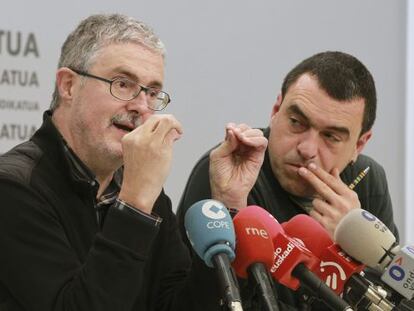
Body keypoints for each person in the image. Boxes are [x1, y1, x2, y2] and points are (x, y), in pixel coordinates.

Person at [0, 13, 268, 311]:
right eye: (123, 84)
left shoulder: (143, 193)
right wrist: (135, 205)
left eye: (152, 92)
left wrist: (228, 205)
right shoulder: (13, 186)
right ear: (68, 86)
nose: (141, 107)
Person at [177, 51, 399, 310]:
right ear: (275, 111)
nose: (307, 148)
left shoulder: (368, 180)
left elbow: (394, 298)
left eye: (331, 137)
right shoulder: (232, 173)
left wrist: (354, 251)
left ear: (359, 144)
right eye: (296, 122)